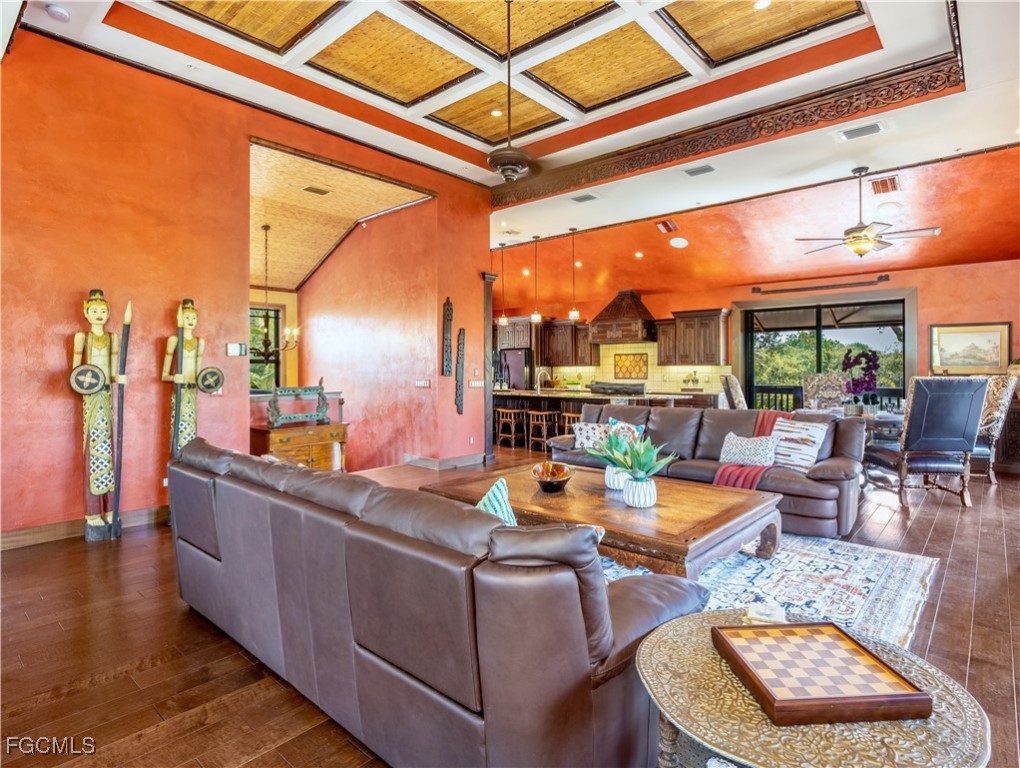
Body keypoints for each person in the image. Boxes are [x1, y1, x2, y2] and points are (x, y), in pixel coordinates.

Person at [71, 289, 125, 536]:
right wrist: (87, 386)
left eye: (103, 311)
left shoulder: (113, 338)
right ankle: (93, 514)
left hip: (107, 397)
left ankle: (110, 511)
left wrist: (119, 378)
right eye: (95, 311)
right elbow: (75, 374)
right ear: (86, 311)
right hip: (91, 398)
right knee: (94, 451)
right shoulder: (82, 338)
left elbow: (114, 370)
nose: (100, 315)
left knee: (108, 449)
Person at [162, 299, 205, 453]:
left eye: (193, 318)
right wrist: (173, 377)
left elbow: (199, 374)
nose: (191, 321)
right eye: (187, 318)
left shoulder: (200, 342)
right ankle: (177, 459)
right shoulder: (174, 340)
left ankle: (189, 459)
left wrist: (203, 381)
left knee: (190, 425)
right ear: (179, 319)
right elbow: (164, 374)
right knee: (178, 427)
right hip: (178, 390)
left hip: (192, 391)